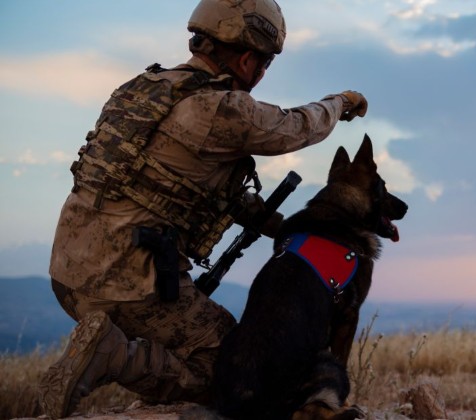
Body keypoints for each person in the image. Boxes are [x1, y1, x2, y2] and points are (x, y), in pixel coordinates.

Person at [37, 0, 368, 418]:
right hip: (126, 283)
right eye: (263, 66)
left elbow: (175, 185)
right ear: (248, 59)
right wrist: (340, 102)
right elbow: (296, 128)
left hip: (68, 272)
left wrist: (279, 226)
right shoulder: (222, 108)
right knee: (238, 368)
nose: (260, 77)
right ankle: (114, 355)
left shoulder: (145, 87)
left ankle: (131, 364)